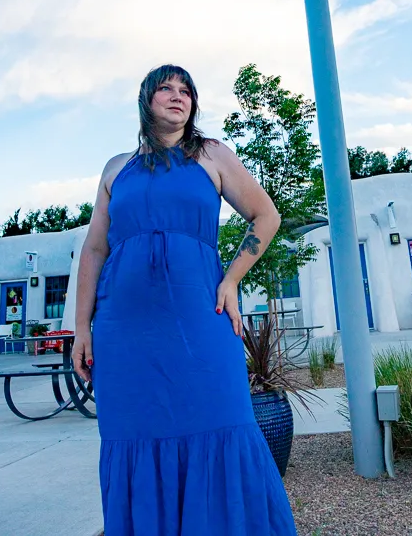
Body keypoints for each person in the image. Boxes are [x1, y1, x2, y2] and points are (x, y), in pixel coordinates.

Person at [73, 64, 298, 536]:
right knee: (134, 434)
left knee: (224, 419)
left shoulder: (212, 154)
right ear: (146, 101)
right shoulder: (117, 168)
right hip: (125, 330)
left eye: (186, 91)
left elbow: (265, 216)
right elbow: (95, 248)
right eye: (166, 89)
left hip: (199, 318)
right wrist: (82, 328)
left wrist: (232, 279)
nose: (177, 97)